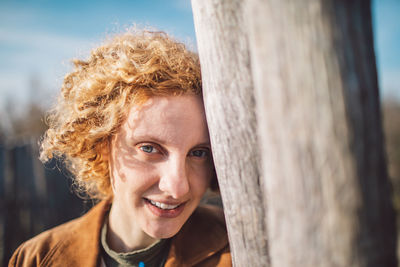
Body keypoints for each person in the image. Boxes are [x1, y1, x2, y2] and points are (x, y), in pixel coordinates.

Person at [9, 30, 231, 267]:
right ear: (103, 144)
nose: (177, 187)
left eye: (198, 153)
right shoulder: (37, 258)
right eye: (149, 148)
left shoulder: (244, 246)